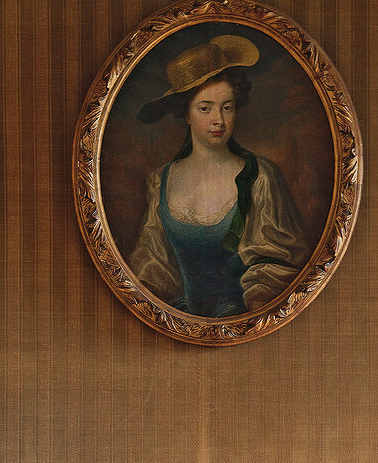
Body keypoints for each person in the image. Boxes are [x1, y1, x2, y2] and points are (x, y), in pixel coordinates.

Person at [129, 36, 309, 317]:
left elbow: (277, 264)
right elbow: (153, 263)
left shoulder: (259, 177)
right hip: (178, 321)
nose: (219, 120)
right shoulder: (160, 180)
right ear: (186, 115)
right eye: (205, 108)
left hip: (245, 320)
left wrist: (253, 314)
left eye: (228, 107)